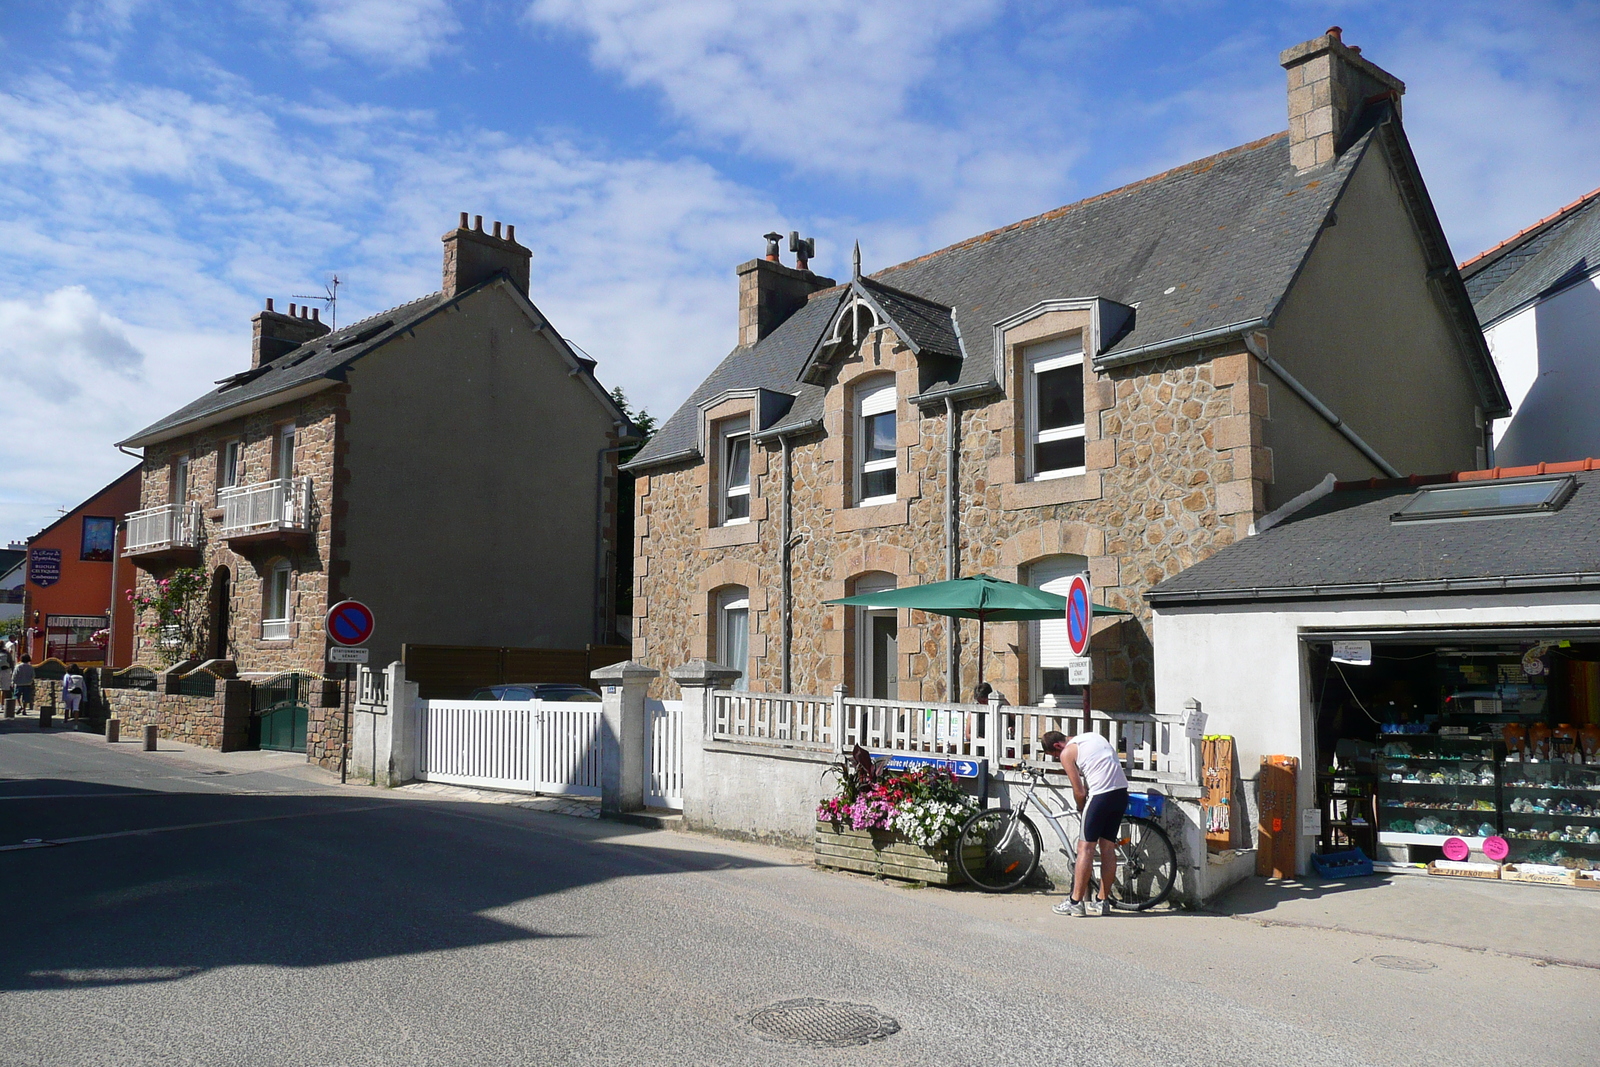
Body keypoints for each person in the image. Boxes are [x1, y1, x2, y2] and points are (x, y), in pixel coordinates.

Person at [1042, 728, 1129, 917]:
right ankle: (1102, 901)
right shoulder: (1093, 737)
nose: (1058, 759)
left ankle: (1075, 902)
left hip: (1100, 796)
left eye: (1054, 755)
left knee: (1085, 849)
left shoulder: (1067, 752)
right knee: (1107, 848)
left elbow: (1079, 791)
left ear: (1058, 746)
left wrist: (1082, 808)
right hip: (1121, 793)